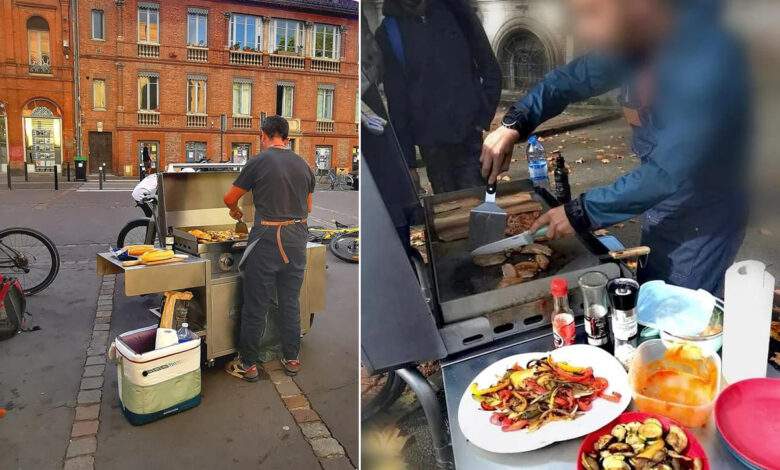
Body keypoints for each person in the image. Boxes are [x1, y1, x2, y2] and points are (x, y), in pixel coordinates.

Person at [480, 0, 750, 295]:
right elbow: (573, 79)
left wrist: (581, 212)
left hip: (705, 208)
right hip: (660, 196)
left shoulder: (705, 55)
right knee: (652, 287)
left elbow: (668, 172)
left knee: (678, 306)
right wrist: (515, 122)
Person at [375, 0, 501, 194]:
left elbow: (490, 68)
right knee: (448, 213)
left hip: (469, 138)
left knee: (479, 210)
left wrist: (481, 117)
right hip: (432, 149)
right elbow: (397, 104)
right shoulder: (390, 32)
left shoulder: (457, 10)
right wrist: (408, 165)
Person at [223, 116, 315, 381]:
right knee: (289, 302)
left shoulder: (258, 161)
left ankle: (248, 364)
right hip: (297, 237)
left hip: (266, 237)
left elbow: (229, 197)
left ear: (264, 135)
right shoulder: (304, 165)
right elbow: (307, 208)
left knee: (256, 304)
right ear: (286, 138)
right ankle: (292, 357)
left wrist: (235, 211)